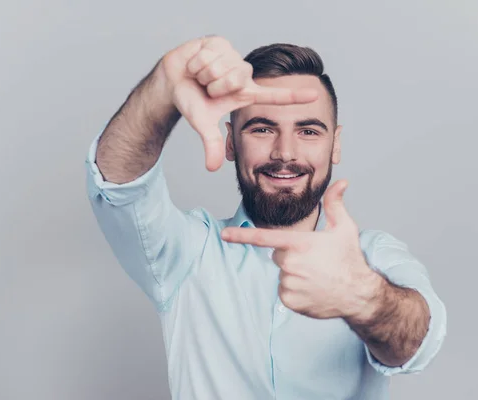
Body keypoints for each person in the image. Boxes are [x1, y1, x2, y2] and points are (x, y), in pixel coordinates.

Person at [84, 35, 447, 400]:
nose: (285, 152)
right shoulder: (187, 252)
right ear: (230, 142)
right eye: (261, 128)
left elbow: (417, 344)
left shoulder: (374, 257)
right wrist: (161, 89)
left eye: (308, 131)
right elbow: (119, 184)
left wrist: (363, 298)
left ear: (334, 144)